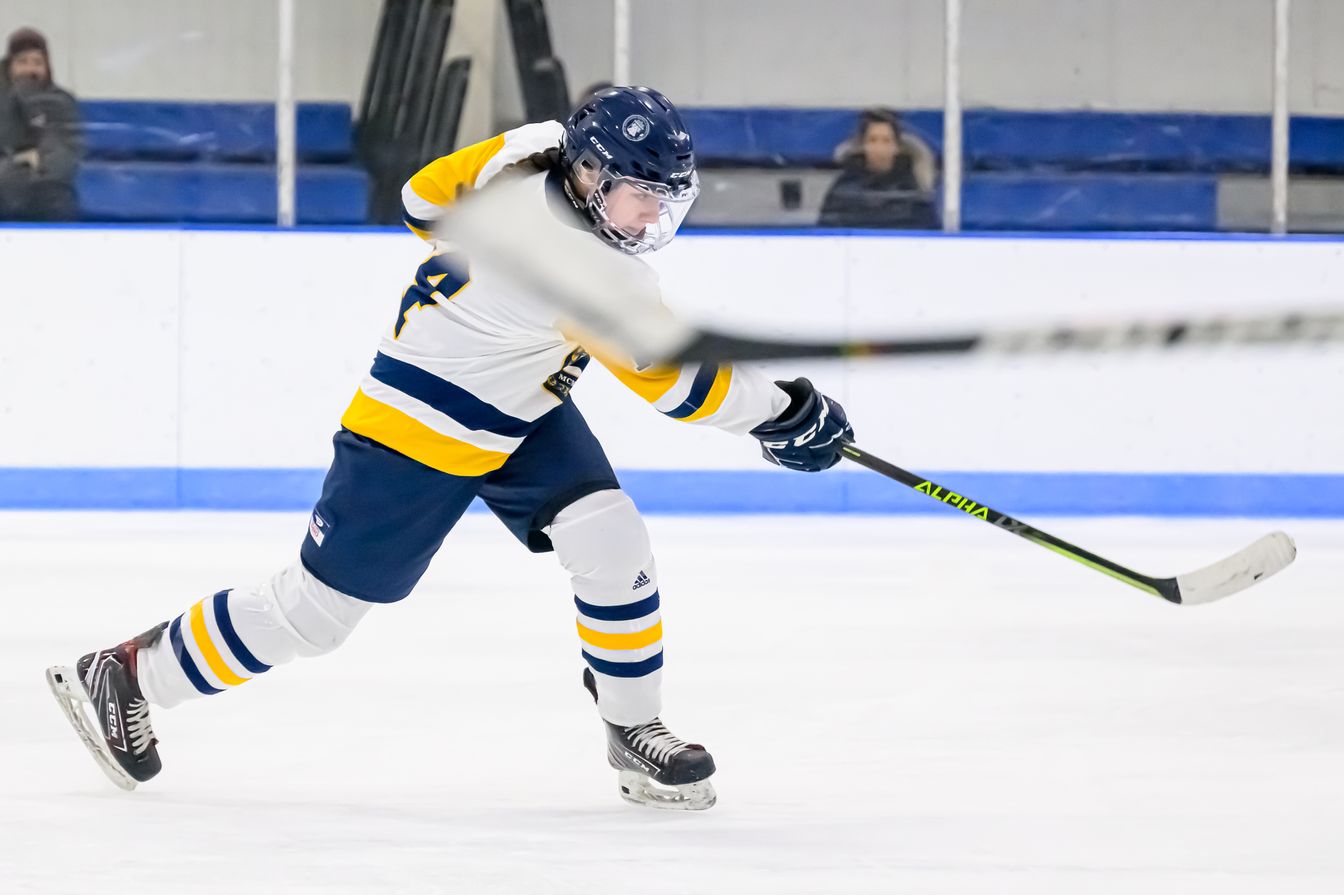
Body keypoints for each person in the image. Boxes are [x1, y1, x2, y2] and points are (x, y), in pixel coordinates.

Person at [45, 87, 855, 811]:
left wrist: (515, 148)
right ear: (592, 178)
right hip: (415, 432)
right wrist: (787, 413)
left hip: (520, 407)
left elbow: (420, 201)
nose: (652, 221)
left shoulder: (525, 159)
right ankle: (127, 672)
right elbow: (683, 388)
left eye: (665, 201)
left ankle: (633, 728)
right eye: (642, 197)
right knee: (315, 614)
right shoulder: (584, 265)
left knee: (609, 534)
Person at [0, 27, 82, 221]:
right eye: (22, 62)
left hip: (47, 200)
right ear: (10, 66)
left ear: (47, 66)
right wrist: (18, 161)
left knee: (55, 197)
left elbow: (63, 157)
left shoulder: (62, 102)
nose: (30, 69)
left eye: (37, 62)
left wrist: (31, 104)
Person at [818, 107, 938, 230]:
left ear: (896, 147)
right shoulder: (843, 189)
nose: (879, 148)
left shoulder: (913, 191)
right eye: (872, 140)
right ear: (862, 146)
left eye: (886, 141)